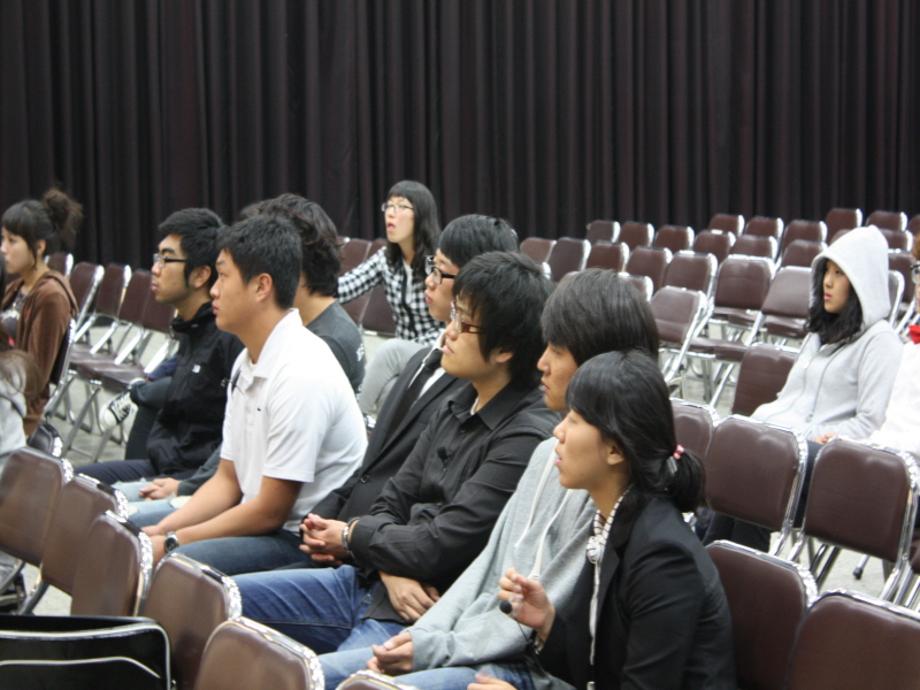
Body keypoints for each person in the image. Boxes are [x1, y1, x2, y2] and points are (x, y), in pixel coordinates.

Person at [317, 270, 663, 690]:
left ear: (601, 366)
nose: (542, 362)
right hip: (447, 627)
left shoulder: (622, 502)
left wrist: (431, 644)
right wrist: (425, 639)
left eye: (556, 350)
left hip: (509, 662)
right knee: (292, 664)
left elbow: (543, 635)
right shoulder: (544, 451)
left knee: (337, 682)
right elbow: (487, 569)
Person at [234, 251, 555, 657]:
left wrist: (351, 536)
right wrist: (387, 564)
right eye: (453, 317)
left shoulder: (525, 437)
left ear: (505, 348)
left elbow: (439, 545)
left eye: (464, 323)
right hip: (371, 581)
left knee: (324, 679)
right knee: (221, 599)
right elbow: (390, 501)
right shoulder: (457, 401)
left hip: (419, 614)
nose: (449, 332)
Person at [127, 214, 520, 528]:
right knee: (139, 532)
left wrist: (174, 529)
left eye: (440, 271)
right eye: (430, 266)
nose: (428, 280)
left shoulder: (312, 359)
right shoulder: (424, 360)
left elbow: (429, 499)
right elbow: (374, 470)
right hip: (344, 526)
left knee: (174, 562)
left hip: (347, 535)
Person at [140, 215, 367, 574]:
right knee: (137, 540)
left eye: (223, 277)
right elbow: (227, 480)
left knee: (170, 566)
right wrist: (164, 529)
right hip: (262, 523)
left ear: (261, 286)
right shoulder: (248, 359)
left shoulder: (301, 371)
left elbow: (270, 512)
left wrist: (173, 540)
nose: (213, 291)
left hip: (300, 541)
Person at [495, 351, 735, 690]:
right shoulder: (616, 519)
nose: (558, 431)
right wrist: (547, 621)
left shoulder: (664, 557)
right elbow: (594, 671)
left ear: (615, 450)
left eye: (574, 420)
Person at [706, 225, 902, 550]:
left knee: (750, 478)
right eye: (827, 271)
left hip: (822, 465)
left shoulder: (881, 343)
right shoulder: (820, 331)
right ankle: (715, 559)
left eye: (840, 274)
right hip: (775, 448)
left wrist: (819, 438)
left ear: (862, 282)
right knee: (731, 459)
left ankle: (720, 563)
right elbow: (788, 398)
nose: (827, 282)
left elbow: (871, 424)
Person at [79, 209, 243, 487]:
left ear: (200, 275)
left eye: (167, 259)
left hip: (190, 480)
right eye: (158, 258)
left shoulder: (226, 337)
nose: (155, 269)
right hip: (166, 464)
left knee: (86, 495)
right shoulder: (192, 328)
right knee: (69, 483)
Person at [337, 180, 441, 414]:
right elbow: (345, 287)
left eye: (401, 206)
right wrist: (309, 286)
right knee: (388, 391)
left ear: (421, 215)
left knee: (389, 350)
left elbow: (452, 316)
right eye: (389, 206)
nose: (391, 214)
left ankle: (354, 419)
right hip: (406, 357)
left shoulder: (436, 261)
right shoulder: (387, 258)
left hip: (436, 348)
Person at [0, 188, 81, 434]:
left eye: (12, 241)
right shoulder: (18, 286)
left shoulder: (51, 297)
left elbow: (35, 377)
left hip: (17, 412)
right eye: (3, 239)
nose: (3, 248)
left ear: (39, 247)